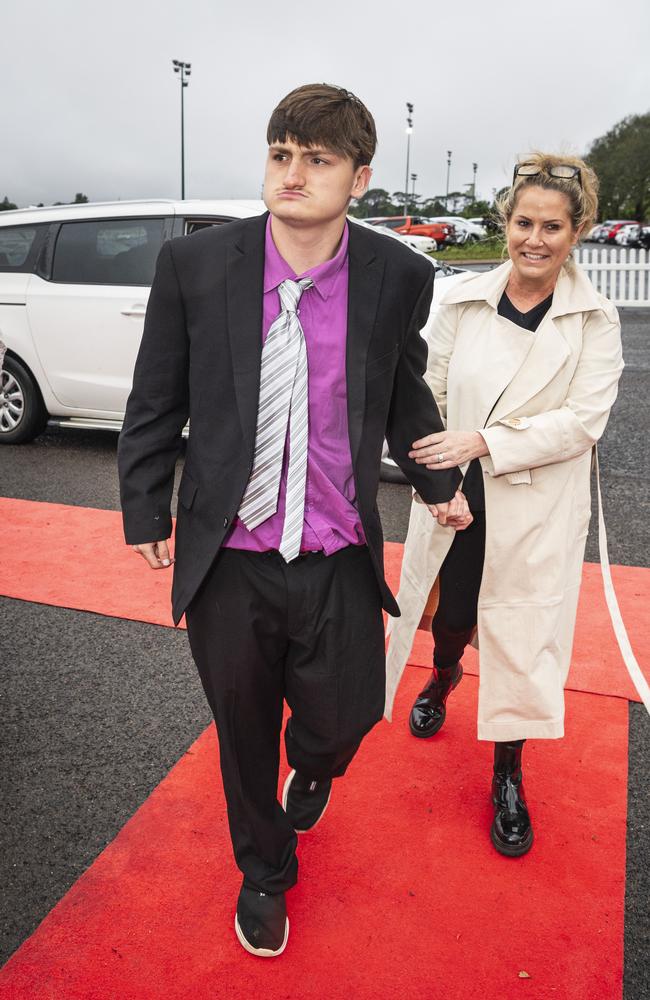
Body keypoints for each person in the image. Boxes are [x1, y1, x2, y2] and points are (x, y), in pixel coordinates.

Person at [118, 83, 471, 957]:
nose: (293, 172)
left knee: (344, 718)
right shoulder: (198, 266)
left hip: (334, 549)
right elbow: (155, 396)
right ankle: (265, 871)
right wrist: (143, 506)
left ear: (359, 177)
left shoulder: (399, 276)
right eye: (281, 154)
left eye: (317, 159)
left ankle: (314, 765)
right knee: (242, 732)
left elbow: (399, 388)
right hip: (229, 551)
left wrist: (438, 481)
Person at [385, 152, 624, 857]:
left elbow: (584, 421)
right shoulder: (460, 300)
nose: (535, 239)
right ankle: (446, 671)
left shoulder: (595, 321)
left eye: (553, 226)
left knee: (521, 642)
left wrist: (485, 439)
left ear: (575, 231)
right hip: (460, 499)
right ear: (506, 223)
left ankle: (509, 775)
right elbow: (423, 393)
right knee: (451, 618)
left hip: (537, 510)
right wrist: (437, 485)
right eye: (523, 222)